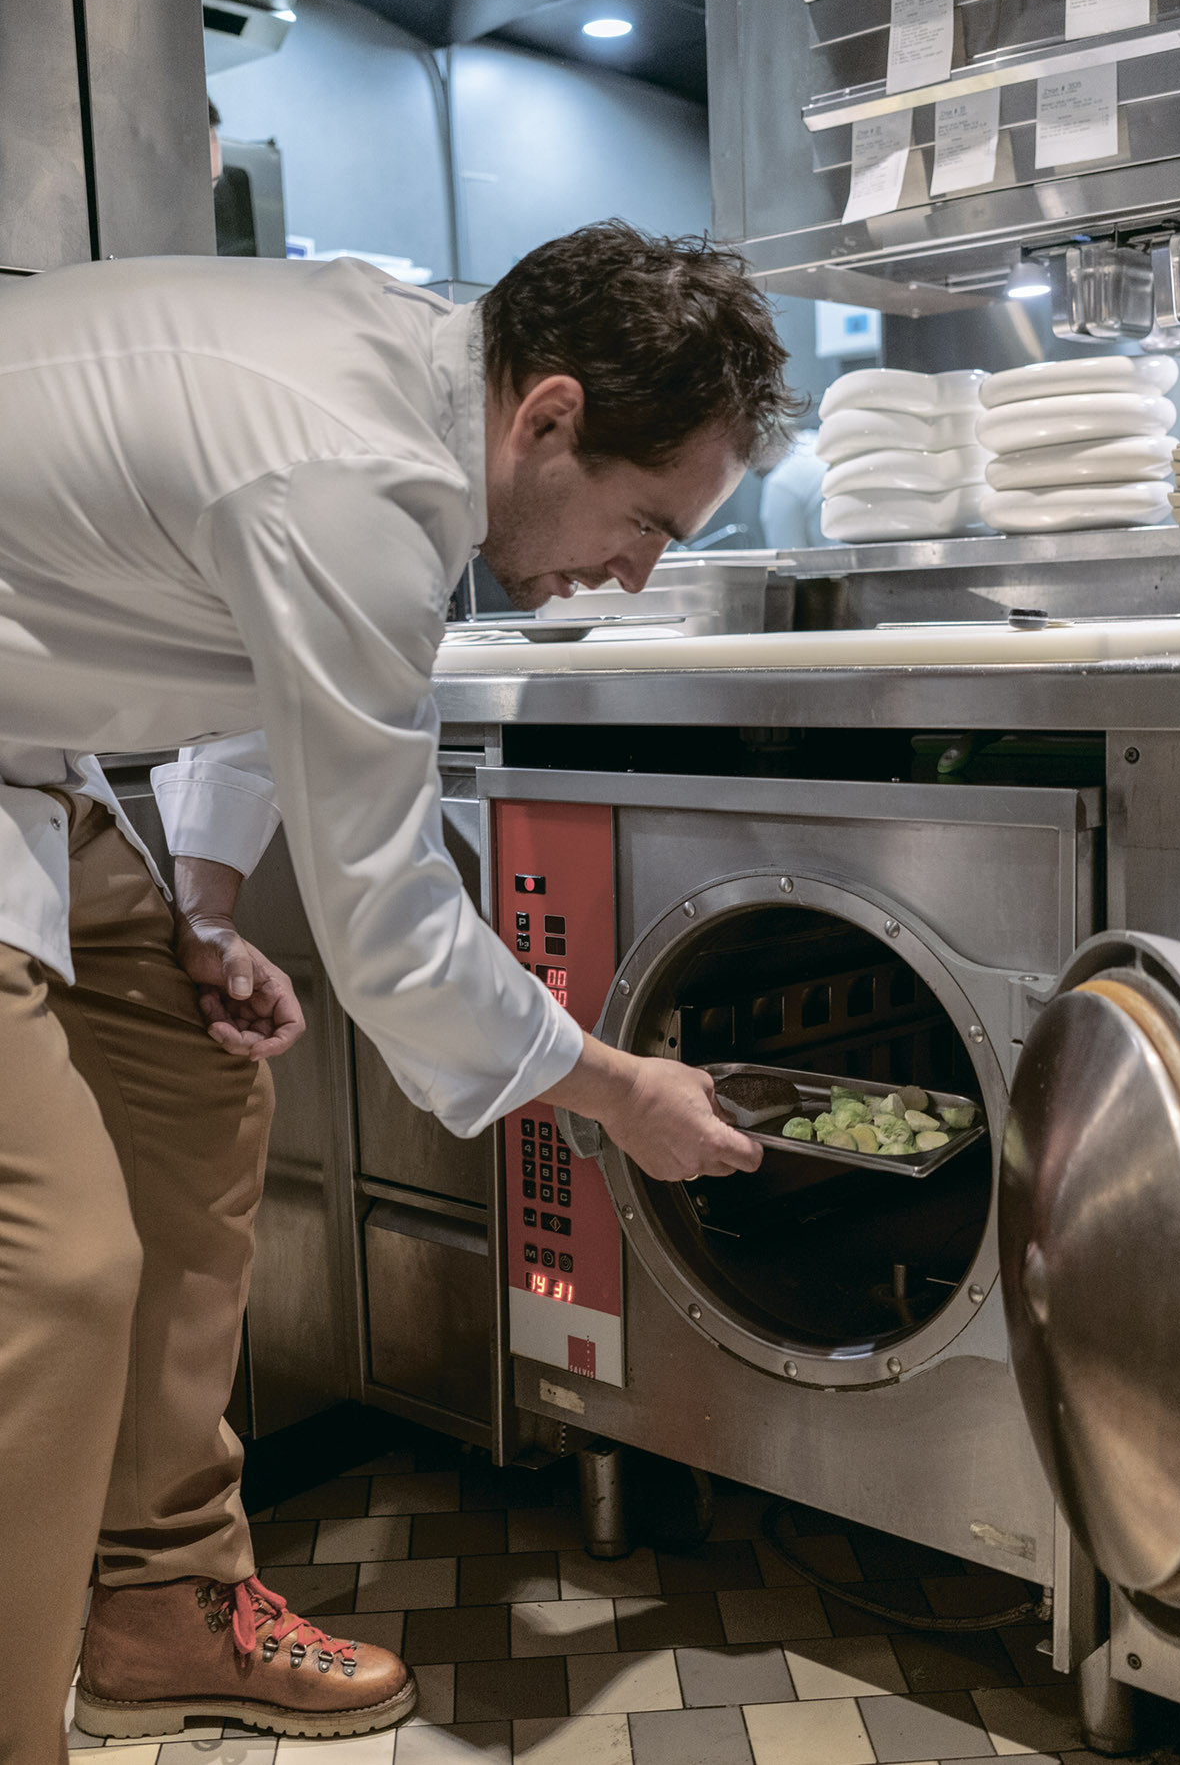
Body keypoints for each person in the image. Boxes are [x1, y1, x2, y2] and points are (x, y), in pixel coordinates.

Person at [0, 220, 796, 1762]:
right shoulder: (354, 473)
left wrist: (202, 907)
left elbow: (253, 653)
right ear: (549, 417)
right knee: (54, 1267)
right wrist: (621, 1091)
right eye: (646, 523)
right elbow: (392, 928)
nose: (636, 573)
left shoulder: (402, 398)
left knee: (191, 1083)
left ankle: (160, 1604)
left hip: (33, 756)